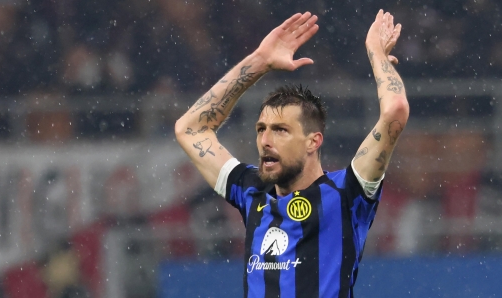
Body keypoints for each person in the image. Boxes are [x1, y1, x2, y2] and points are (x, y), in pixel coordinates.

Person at [175, 9, 409, 298]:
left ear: (314, 141)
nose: (265, 140)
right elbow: (190, 129)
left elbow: (395, 111)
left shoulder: (347, 193)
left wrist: (377, 54)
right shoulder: (252, 192)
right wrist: (259, 62)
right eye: (261, 129)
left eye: (281, 130)